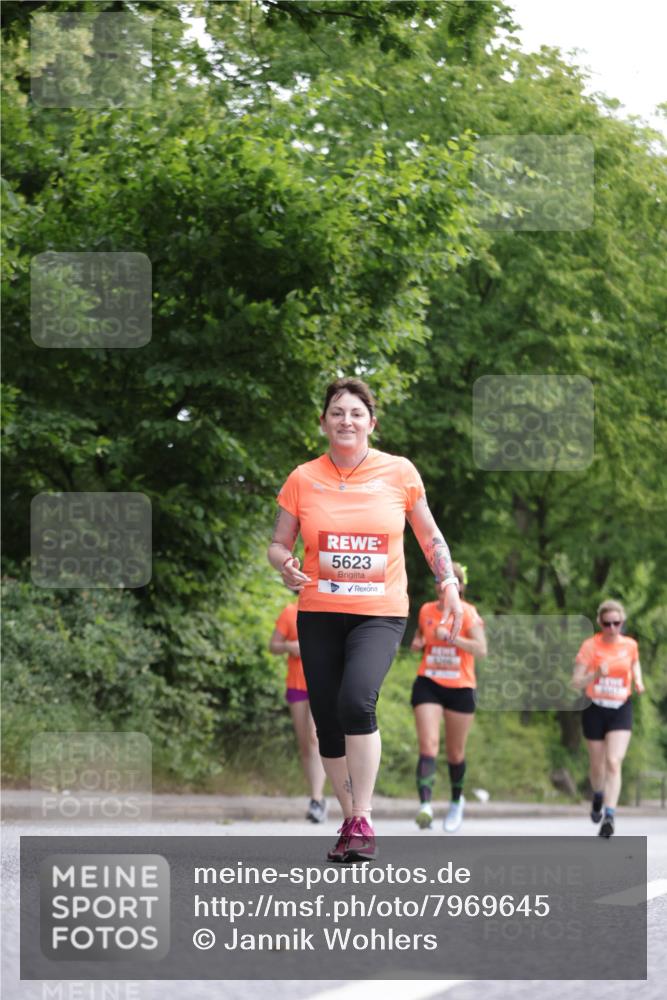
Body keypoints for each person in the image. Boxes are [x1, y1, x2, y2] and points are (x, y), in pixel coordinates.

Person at [268, 377, 462, 862]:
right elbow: (278, 543)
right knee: (328, 724)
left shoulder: (399, 473)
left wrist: (449, 584)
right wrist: (283, 564)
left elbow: (430, 536)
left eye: (356, 413)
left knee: (357, 701)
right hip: (318, 612)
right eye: (337, 412)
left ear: (371, 423)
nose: (346, 420)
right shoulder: (302, 478)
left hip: (379, 614)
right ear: (323, 422)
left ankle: (365, 815)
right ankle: (350, 816)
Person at [410, 563, 487, 833]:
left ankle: (456, 801)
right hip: (429, 682)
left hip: (460, 687)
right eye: (439, 584)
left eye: (449, 584)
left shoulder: (468, 613)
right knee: (428, 745)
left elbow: (481, 649)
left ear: (460, 587)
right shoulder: (426, 610)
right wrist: (418, 642)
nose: (442, 590)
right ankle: (425, 807)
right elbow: (420, 636)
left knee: (455, 752)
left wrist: (453, 640)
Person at [571, 599, 645, 838]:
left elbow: (634, 665)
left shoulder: (630, 645)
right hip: (595, 708)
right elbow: (575, 683)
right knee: (597, 765)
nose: (612, 628)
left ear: (622, 622)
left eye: (617, 623)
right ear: (599, 622)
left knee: (613, 762)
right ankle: (598, 795)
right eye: (607, 623)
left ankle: (609, 816)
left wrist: (638, 680)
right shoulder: (589, 646)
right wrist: (594, 674)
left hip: (620, 708)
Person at [269, 599, 327, 823]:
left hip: (322, 682)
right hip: (296, 685)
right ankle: (317, 797)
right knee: (305, 743)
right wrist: (289, 647)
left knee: (315, 738)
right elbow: (273, 645)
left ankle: (317, 798)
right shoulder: (290, 612)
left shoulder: (328, 611)